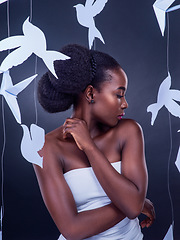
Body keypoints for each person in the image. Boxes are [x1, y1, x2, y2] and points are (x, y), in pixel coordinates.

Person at [34, 44, 155, 240]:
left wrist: (89, 147)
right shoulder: (46, 148)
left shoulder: (129, 131)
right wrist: (132, 202)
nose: (125, 104)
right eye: (119, 94)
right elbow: (72, 229)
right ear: (90, 94)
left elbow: (133, 206)